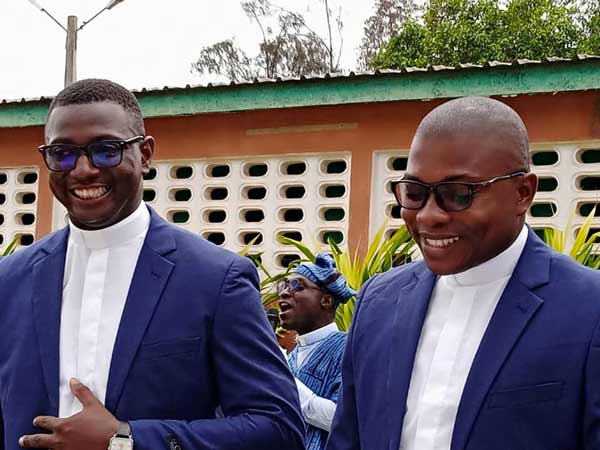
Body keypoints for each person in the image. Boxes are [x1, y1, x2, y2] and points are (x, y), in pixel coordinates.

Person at [0, 79, 305, 450]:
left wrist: (126, 440)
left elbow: (278, 426)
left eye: (105, 151)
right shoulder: (10, 280)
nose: (82, 170)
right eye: (62, 154)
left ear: (145, 154)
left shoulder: (214, 280)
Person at [327, 96, 600, 450]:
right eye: (414, 193)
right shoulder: (378, 302)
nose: (428, 215)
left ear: (523, 193)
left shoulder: (588, 309)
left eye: (458, 194)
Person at [278, 253, 356, 450]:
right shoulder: (289, 357)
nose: (284, 293)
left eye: (297, 286)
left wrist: (281, 378)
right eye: (283, 286)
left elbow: (343, 420)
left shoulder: (349, 349)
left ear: (326, 301)